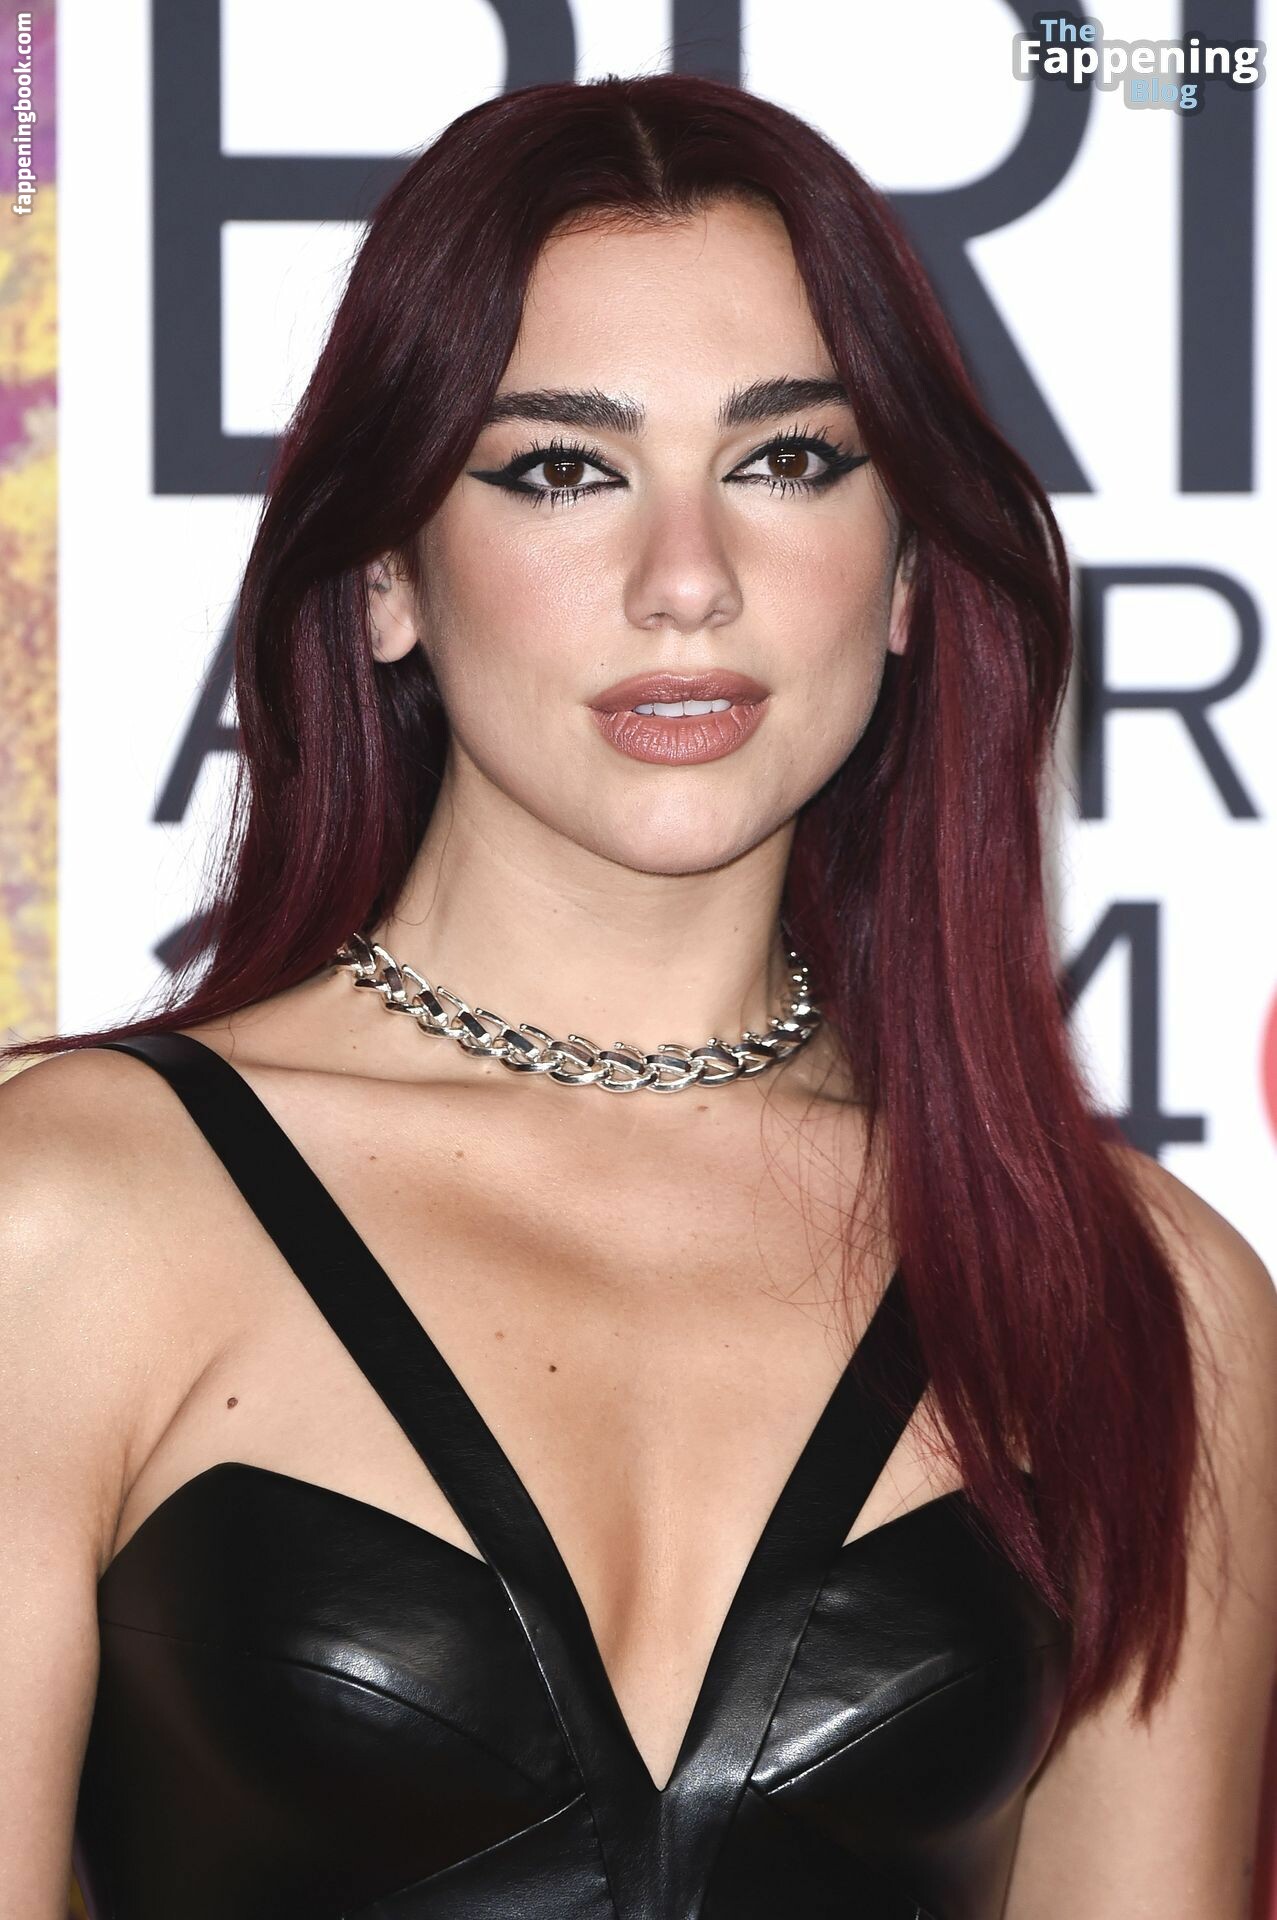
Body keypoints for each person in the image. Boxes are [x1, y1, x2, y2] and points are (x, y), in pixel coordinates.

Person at [2, 71, 1274, 1920]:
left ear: (908, 571)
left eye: (787, 461)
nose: (688, 581)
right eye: (559, 469)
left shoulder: (1143, 1301)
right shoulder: (69, 1218)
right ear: (384, 572)